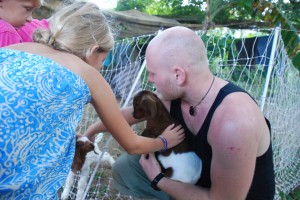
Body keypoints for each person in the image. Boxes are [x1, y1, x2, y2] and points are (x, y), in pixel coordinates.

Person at [0, 2, 184, 199]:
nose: (101, 67)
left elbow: (17, 109)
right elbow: (132, 145)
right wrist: (164, 141)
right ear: (94, 49)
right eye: (104, 60)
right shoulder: (88, 74)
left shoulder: (15, 48)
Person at [84, 26, 275, 200]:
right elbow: (127, 115)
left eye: (152, 73)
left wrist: (158, 178)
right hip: (195, 177)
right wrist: (90, 132)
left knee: (144, 168)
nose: (149, 79)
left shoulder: (234, 122)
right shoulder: (174, 94)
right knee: (127, 167)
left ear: (178, 75)